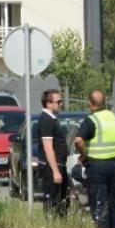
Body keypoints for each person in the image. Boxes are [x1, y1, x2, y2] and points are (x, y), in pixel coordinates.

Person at [73, 89, 115, 228]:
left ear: (90, 103)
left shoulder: (91, 120)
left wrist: (84, 155)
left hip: (97, 166)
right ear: (105, 102)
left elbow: (78, 140)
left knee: (99, 200)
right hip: (114, 165)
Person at [33, 88, 70, 217]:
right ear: (48, 103)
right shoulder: (46, 121)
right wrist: (55, 171)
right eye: (58, 101)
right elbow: (48, 147)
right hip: (51, 167)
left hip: (58, 165)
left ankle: (61, 226)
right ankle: (51, 227)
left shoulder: (52, 119)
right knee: (53, 200)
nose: (61, 104)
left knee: (62, 199)